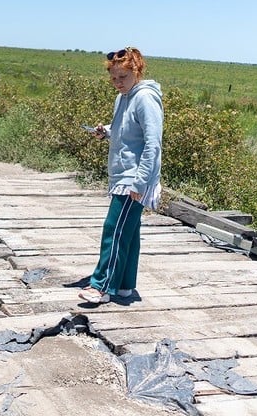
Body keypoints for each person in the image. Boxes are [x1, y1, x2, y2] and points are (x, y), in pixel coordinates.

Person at [79, 47, 163, 304]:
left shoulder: (146, 98)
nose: (117, 83)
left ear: (136, 71)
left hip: (134, 179)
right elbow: (126, 132)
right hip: (122, 175)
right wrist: (106, 131)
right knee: (129, 231)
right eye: (114, 78)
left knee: (113, 229)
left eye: (123, 78)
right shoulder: (122, 98)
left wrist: (140, 182)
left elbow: (152, 143)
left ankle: (102, 286)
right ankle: (125, 285)